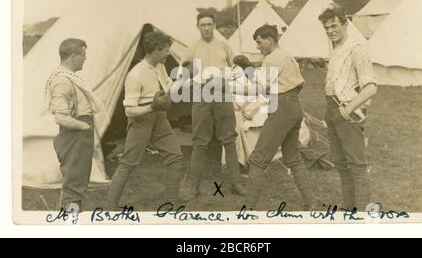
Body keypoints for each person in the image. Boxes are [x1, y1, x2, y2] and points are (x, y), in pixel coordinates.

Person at [105, 30, 184, 209]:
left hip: (160, 118)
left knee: (175, 158)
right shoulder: (135, 75)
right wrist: (152, 107)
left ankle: (171, 203)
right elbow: (129, 111)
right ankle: (109, 208)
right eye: (166, 50)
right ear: (155, 50)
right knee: (128, 163)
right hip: (142, 120)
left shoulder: (160, 66)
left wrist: (187, 80)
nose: (169, 53)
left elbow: (169, 86)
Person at [244, 24, 319, 210]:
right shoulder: (288, 56)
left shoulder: (271, 59)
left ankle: (247, 209)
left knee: (258, 159)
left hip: (282, 108)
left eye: (260, 42)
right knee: (292, 157)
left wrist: (227, 88)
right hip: (295, 106)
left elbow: (260, 89)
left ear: (270, 40)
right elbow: (299, 85)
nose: (258, 47)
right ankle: (312, 202)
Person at [318, 7, 377, 211]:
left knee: (356, 166)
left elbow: (370, 87)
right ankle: (348, 209)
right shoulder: (335, 49)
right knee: (341, 164)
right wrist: (332, 111)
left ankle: (362, 214)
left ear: (345, 24)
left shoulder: (357, 49)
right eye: (326, 27)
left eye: (334, 25)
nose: (330, 30)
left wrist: (347, 109)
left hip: (347, 112)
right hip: (332, 109)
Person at [182, 12, 246, 200]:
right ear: (198, 27)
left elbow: (237, 66)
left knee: (229, 138)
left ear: (215, 25)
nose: (207, 28)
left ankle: (236, 183)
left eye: (210, 24)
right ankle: (194, 185)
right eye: (203, 25)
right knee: (200, 140)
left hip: (222, 93)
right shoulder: (192, 48)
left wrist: (228, 79)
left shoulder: (225, 45)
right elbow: (183, 71)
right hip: (202, 95)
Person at [46, 38, 101, 211]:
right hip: (75, 133)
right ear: (72, 56)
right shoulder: (62, 80)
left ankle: (72, 213)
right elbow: (61, 117)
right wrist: (84, 127)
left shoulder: (70, 78)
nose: (85, 58)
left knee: (78, 179)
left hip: (79, 131)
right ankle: (70, 221)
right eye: (83, 54)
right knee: (74, 182)